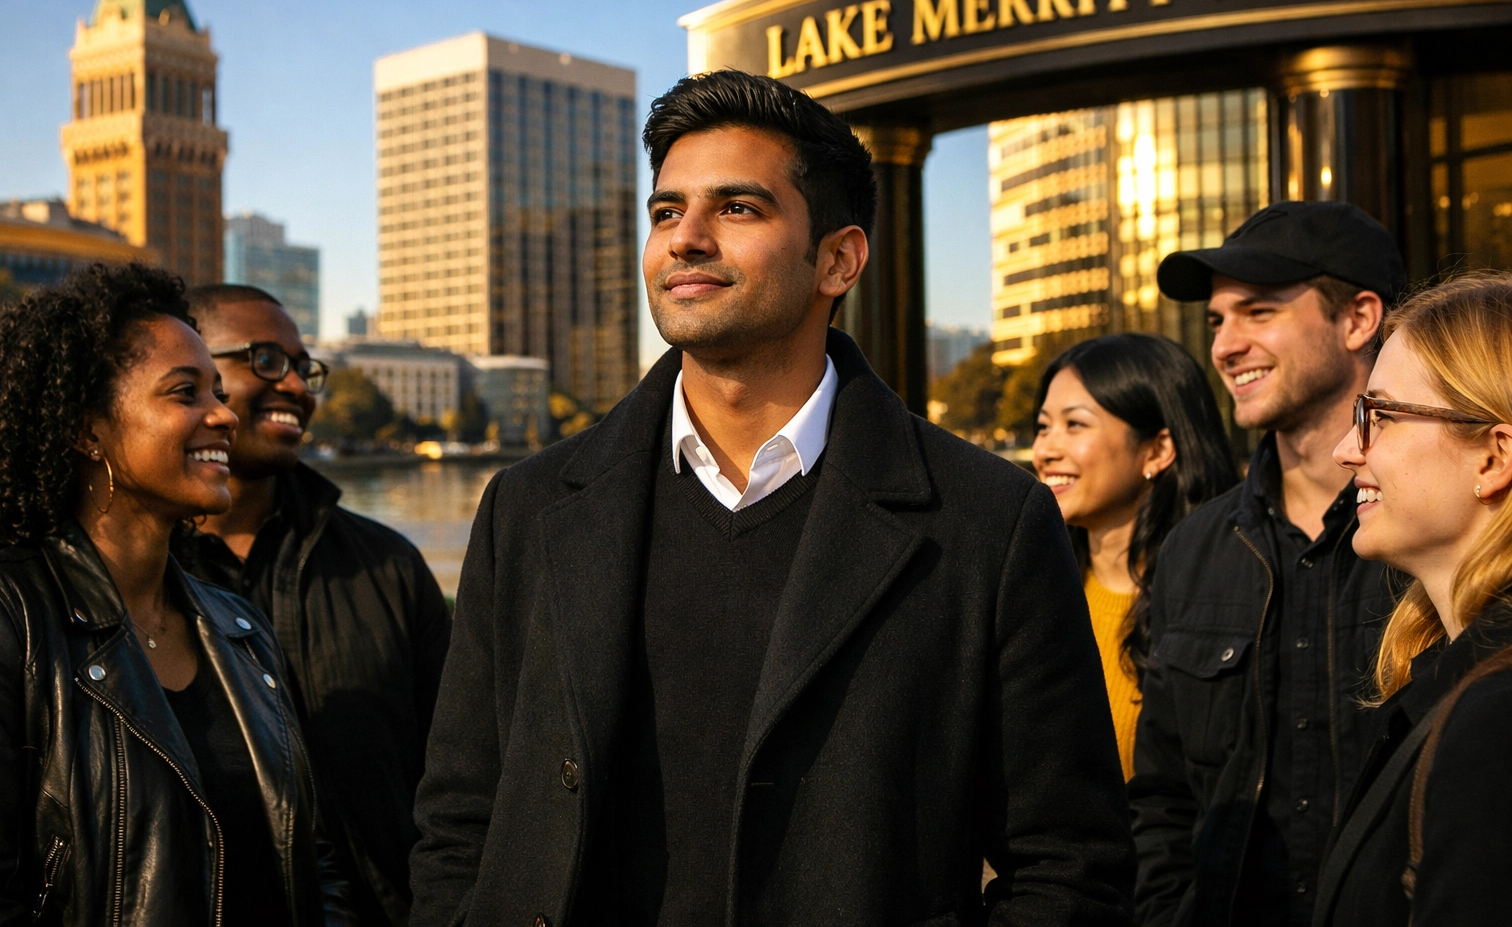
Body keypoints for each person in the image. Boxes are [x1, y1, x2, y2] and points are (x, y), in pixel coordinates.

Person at [410, 69, 1135, 926]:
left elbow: (1070, 868)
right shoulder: (528, 510)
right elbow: (460, 822)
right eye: (666, 211)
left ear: (838, 258)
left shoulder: (988, 522)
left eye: (738, 209)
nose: (685, 239)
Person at [0, 263, 353, 925]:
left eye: (218, 389)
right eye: (185, 393)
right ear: (87, 431)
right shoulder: (1, 617)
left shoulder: (240, 628)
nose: (223, 414)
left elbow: (311, 862)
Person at [1132, 201, 1406, 927]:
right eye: (1218, 321)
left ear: (1358, 320)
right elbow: (1161, 797)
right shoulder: (1194, 549)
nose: (1224, 345)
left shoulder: (1445, 536)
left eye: (1257, 312)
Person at [171, 284, 452, 927]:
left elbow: (461, 779)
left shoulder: (387, 565)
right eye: (266, 360)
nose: (298, 387)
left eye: (304, 368)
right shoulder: (128, 582)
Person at [1313, 273, 1512, 926]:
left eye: (1381, 416)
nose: (1348, 451)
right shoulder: (1453, 677)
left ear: (1494, 456)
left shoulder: (1494, 724)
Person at [1032, 333, 1239, 780]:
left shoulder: (1219, 603)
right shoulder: (1032, 591)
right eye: (1043, 426)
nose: (1045, 451)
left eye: (1075, 425)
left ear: (1158, 449)